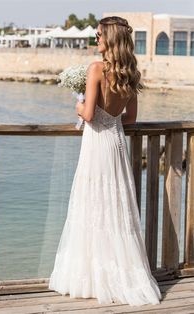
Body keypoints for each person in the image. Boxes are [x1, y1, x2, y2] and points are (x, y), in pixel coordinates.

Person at [48, 16, 162, 306]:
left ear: (110, 38)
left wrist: (77, 103)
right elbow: (132, 118)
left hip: (97, 144)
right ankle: (121, 275)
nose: (96, 39)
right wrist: (111, 118)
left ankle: (91, 276)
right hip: (116, 141)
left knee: (93, 203)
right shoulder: (131, 72)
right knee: (114, 203)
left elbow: (87, 115)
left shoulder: (96, 69)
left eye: (99, 35)